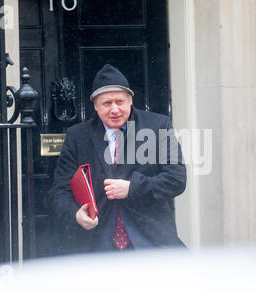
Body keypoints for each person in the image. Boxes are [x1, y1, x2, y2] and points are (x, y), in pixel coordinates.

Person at [49, 64, 187, 253]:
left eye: (120, 101)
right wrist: (76, 214)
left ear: (130, 101)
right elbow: (59, 192)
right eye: (107, 103)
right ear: (96, 106)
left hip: (151, 242)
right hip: (96, 245)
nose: (115, 109)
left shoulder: (158, 126)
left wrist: (132, 188)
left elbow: (176, 179)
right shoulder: (77, 136)